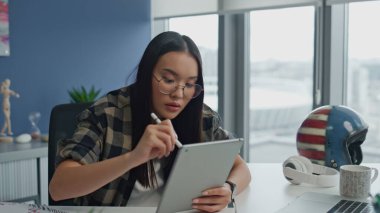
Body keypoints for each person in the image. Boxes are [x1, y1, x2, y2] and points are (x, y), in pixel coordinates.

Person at [49, 31, 251, 212]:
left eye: (189, 84)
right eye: (169, 80)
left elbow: (241, 168)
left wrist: (228, 188)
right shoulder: (107, 114)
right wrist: (134, 157)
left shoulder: (200, 117)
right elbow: (59, 188)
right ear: (146, 75)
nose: (179, 95)